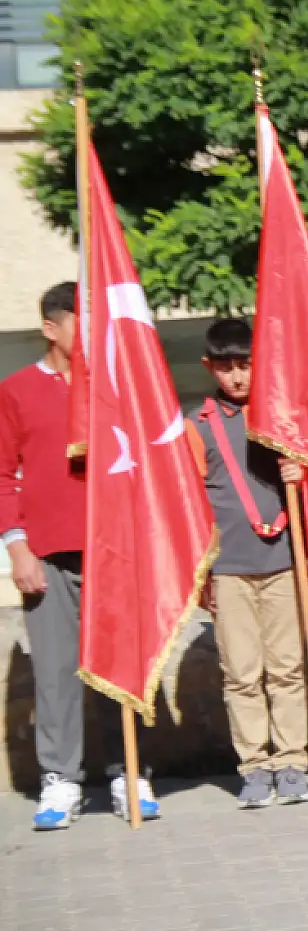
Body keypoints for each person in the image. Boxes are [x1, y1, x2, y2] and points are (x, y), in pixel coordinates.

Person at [2, 282, 159, 829]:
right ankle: (61, 779)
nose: (92, 335)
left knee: (122, 666)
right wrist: (18, 550)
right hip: (46, 555)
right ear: (51, 328)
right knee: (55, 675)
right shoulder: (16, 391)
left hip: (115, 553)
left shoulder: (116, 390)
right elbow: (3, 476)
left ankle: (128, 773)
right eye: (81, 323)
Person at [183, 319, 308, 808]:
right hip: (229, 569)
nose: (237, 376)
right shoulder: (198, 426)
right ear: (209, 367)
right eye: (226, 367)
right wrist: (202, 574)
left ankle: (292, 762)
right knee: (241, 673)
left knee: (287, 668)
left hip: (283, 562)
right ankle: (255, 767)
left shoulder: (281, 418)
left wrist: (300, 474)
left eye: (245, 365)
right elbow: (191, 505)